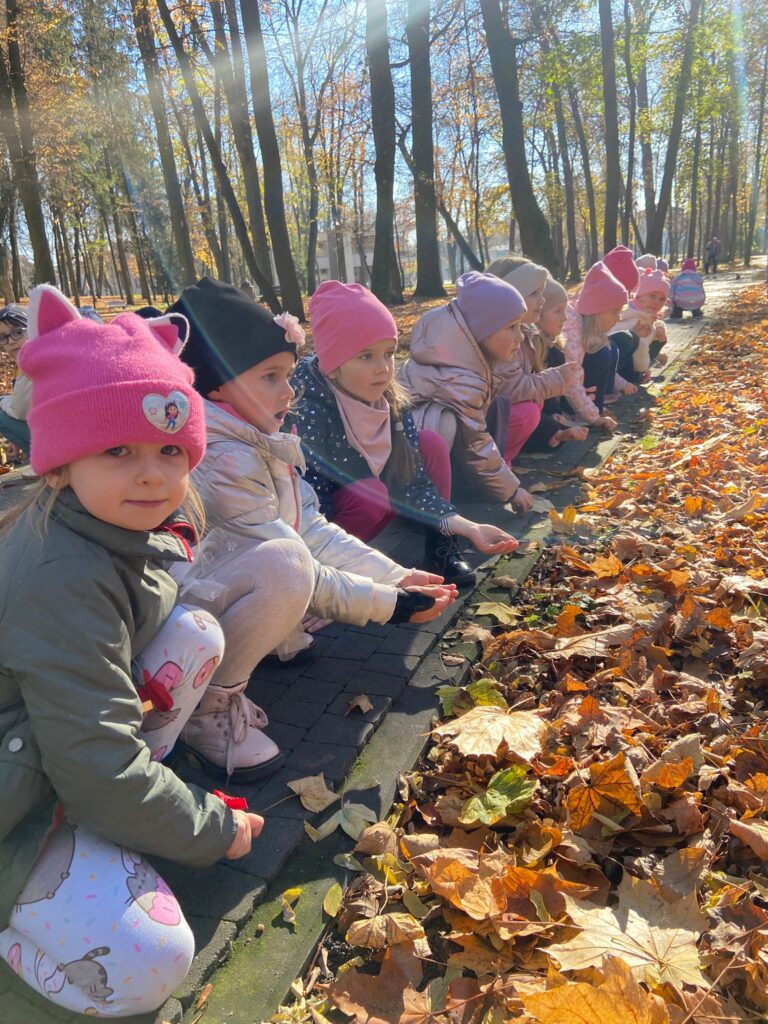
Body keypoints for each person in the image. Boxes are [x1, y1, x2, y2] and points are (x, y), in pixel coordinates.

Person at [0, 285, 264, 1018]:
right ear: (60, 462)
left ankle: (112, 824)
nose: (152, 474)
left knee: (195, 635)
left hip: (45, 738)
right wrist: (215, 831)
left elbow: (91, 719)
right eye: (118, 450)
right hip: (18, 782)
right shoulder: (61, 573)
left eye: (169, 450)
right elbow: (93, 763)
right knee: (151, 963)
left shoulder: (105, 521)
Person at [163, 278, 457, 779]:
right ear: (217, 385)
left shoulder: (253, 435)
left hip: (221, 579)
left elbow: (310, 527)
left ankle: (268, 638)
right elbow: (286, 557)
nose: (290, 388)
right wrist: (387, 606)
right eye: (271, 377)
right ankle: (204, 710)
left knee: (289, 563)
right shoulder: (221, 453)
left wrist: (395, 576)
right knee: (285, 570)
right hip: (179, 607)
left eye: (288, 374)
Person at [288, 281, 518, 587]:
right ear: (333, 363)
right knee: (370, 495)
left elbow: (415, 484)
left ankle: (441, 546)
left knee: (430, 443)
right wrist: (323, 586)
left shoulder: (391, 401)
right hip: (324, 529)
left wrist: (469, 527)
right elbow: (309, 508)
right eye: (366, 356)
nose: (383, 369)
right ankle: (341, 574)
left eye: (389, 353)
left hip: (369, 502)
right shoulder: (309, 412)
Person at [399, 271, 535, 511]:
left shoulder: (470, 356)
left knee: (499, 403)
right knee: (447, 422)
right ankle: (434, 508)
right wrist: (511, 490)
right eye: (512, 327)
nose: (520, 337)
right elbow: (476, 442)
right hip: (411, 458)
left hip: (427, 444)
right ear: (482, 330)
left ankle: (464, 487)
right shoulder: (460, 377)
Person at [484, 257, 584, 452]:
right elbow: (510, 389)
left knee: (535, 406)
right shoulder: (499, 337)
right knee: (529, 412)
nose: (542, 300)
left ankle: (505, 460)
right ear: (513, 295)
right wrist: (556, 379)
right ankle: (499, 463)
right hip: (482, 418)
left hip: (498, 413)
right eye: (535, 293)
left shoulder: (524, 333)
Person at [561, 261, 630, 430]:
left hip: (580, 395)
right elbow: (571, 381)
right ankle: (580, 412)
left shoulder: (587, 329)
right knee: (602, 354)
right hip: (565, 398)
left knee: (609, 349)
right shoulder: (573, 334)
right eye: (615, 312)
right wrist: (593, 417)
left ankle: (592, 407)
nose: (619, 318)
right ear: (595, 312)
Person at [608, 268, 670, 384]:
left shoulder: (645, 312)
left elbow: (652, 325)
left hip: (638, 353)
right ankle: (630, 376)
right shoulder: (631, 313)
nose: (657, 302)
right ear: (640, 296)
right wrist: (643, 368)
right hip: (622, 356)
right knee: (636, 340)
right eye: (652, 296)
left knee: (661, 338)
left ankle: (641, 369)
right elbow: (615, 331)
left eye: (662, 299)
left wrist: (660, 327)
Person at [0, 304, 31, 458]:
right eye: (3, 337)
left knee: (1, 416)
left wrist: (2, 401)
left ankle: (54, 469)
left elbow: (20, 411)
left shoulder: (32, 362)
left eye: (17, 332)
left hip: (70, 437)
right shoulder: (23, 361)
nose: (10, 341)